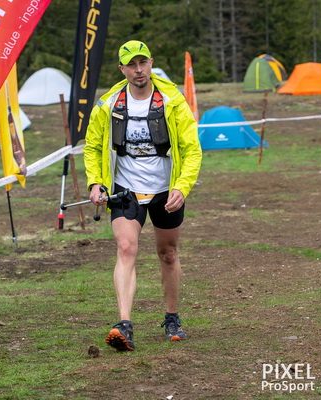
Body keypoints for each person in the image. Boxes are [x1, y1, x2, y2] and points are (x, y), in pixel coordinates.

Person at [83, 40, 202, 351]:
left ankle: (172, 317)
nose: (138, 70)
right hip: (125, 190)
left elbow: (192, 150)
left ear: (151, 63)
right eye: (131, 65)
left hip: (166, 191)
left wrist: (182, 187)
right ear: (122, 69)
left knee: (168, 253)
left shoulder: (173, 101)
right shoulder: (108, 104)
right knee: (126, 248)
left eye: (143, 63)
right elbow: (92, 146)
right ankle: (124, 324)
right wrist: (96, 183)